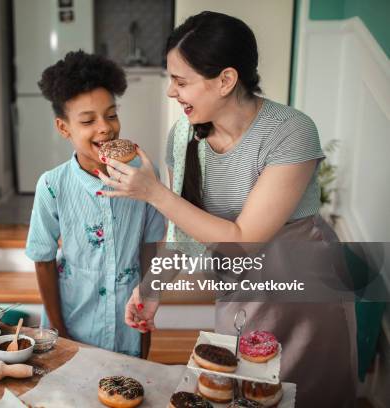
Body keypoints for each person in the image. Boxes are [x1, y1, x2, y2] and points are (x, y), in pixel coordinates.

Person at [96, 11, 357, 407]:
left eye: (181, 81)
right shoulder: (184, 134)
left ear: (226, 80)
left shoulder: (290, 131)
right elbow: (184, 228)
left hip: (304, 296)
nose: (171, 92)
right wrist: (152, 288)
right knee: (237, 392)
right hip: (240, 291)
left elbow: (245, 239)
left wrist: (154, 193)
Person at [25, 50, 165, 357]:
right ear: (64, 128)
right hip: (74, 316)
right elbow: (43, 259)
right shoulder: (52, 185)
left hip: (127, 318)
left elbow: (149, 247)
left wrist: (144, 318)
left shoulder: (145, 177)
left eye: (111, 114)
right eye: (88, 120)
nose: (105, 127)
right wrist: (58, 331)